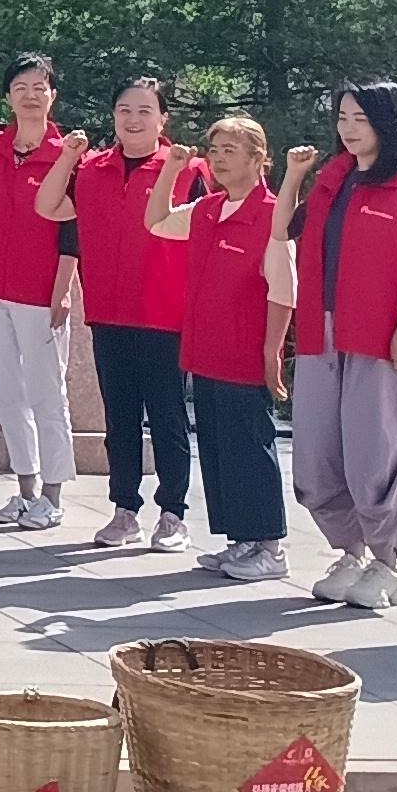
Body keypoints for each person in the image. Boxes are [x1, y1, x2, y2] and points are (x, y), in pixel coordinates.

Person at [278, 79, 397, 609]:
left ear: (386, 122)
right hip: (322, 331)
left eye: (360, 119)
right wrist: (294, 176)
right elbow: (283, 231)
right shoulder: (334, 178)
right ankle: (350, 553)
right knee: (317, 454)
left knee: (376, 452)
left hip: (379, 334)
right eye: (342, 118)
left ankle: (387, 564)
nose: (348, 129)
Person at [152, 110, 296, 583]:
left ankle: (270, 546)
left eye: (230, 151)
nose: (218, 159)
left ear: (259, 159)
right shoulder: (208, 209)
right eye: (214, 151)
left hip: (244, 353)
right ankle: (241, 540)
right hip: (205, 350)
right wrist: (172, 169)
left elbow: (283, 292)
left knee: (250, 448)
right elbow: (157, 222)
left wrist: (272, 353)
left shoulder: (272, 215)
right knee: (216, 449)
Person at [62, 75, 194, 549]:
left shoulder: (188, 170)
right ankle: (124, 510)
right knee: (119, 419)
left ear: (163, 119)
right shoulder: (91, 169)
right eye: (124, 110)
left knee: (167, 417)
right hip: (109, 311)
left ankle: (173, 513)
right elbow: (57, 217)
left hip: (165, 314)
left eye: (144, 111)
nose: (133, 120)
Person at [0, 54, 82, 531]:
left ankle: (53, 495)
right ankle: (26, 489)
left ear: (52, 95)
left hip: (40, 290)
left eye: (40, 86)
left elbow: (73, 231)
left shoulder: (68, 154)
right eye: (21, 86)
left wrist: (63, 289)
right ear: (8, 96)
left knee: (46, 392)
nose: (31, 94)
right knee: (6, 391)